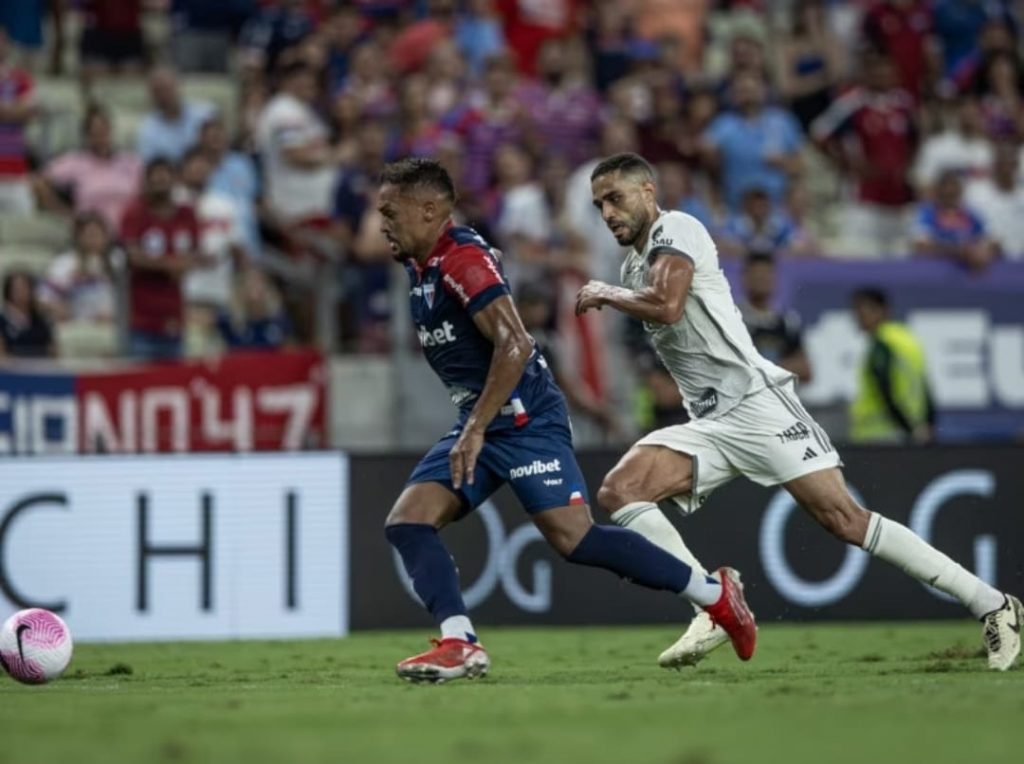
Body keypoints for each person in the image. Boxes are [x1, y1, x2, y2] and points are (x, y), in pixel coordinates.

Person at [574, 152, 1021, 672]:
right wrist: (619, 288)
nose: (607, 212)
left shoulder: (678, 227)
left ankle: (993, 604)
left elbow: (669, 304)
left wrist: (607, 293)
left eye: (615, 197)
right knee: (620, 490)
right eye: (599, 204)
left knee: (845, 521)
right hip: (712, 422)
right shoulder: (634, 265)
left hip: (759, 407)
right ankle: (713, 603)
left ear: (648, 192)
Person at [377, 157, 755, 683]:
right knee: (408, 522)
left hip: (524, 418)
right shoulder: (427, 263)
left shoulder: (459, 260)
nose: (382, 224)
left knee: (575, 540)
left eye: (391, 212)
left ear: (429, 209)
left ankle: (715, 595)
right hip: (482, 417)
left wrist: (476, 427)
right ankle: (460, 643)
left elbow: (516, 343)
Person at [121, 158, 205, 361]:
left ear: (175, 180)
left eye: (165, 177)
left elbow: (195, 254)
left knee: (173, 383)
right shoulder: (135, 213)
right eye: (155, 178)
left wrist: (183, 264)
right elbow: (133, 256)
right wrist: (170, 265)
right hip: (142, 320)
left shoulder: (187, 214)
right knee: (140, 383)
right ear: (146, 182)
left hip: (175, 318)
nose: (161, 182)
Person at [849, 287, 935, 445]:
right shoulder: (907, 339)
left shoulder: (882, 345)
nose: (857, 316)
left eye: (863, 309)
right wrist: (928, 425)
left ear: (882, 310)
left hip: (880, 434)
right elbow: (924, 386)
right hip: (909, 430)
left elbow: (886, 391)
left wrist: (909, 429)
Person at [37, 104, 143, 231]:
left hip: (128, 230)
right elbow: (39, 182)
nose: (101, 138)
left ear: (111, 131)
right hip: (91, 233)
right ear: (87, 136)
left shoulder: (130, 162)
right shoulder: (75, 161)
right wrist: (66, 214)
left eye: (104, 131)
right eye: (95, 133)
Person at [738, 251, 812, 383]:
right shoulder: (734, 319)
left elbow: (805, 370)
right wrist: (783, 368)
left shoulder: (788, 322)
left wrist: (766, 369)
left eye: (766, 275)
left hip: (778, 400)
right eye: (757, 276)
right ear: (745, 278)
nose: (761, 280)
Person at [38, 212, 117, 324]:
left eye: (98, 234)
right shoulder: (65, 263)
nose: (95, 240)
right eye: (90, 235)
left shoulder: (117, 261)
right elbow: (43, 298)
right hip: (78, 325)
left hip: (116, 325)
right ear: (78, 237)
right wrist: (57, 308)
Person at [911, 168, 996, 271]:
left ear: (961, 190)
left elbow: (991, 242)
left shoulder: (972, 215)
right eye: (946, 187)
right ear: (937, 190)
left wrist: (983, 251)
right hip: (934, 272)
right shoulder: (925, 213)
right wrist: (960, 252)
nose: (950, 191)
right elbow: (921, 247)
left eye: (954, 187)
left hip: (970, 275)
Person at [136, 67, 215, 163]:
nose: (163, 95)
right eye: (158, 91)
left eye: (166, 88)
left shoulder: (205, 114)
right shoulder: (147, 129)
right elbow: (151, 166)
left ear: (178, 86)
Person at [964, 139, 1024, 261]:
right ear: (994, 163)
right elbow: (964, 227)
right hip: (986, 262)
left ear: (1017, 163)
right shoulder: (974, 193)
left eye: (1011, 160)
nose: (1007, 165)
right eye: (1002, 161)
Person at [0, 27, 37, 215]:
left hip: (16, 172)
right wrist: (13, 109)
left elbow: (28, 111)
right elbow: (19, 110)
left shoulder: (21, 79)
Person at [0, 270, 54, 359]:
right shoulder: (2, 320)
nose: (21, 292)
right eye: (17, 288)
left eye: (25, 287)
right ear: (8, 291)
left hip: (40, 367)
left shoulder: (41, 320)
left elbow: (52, 351)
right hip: (12, 370)